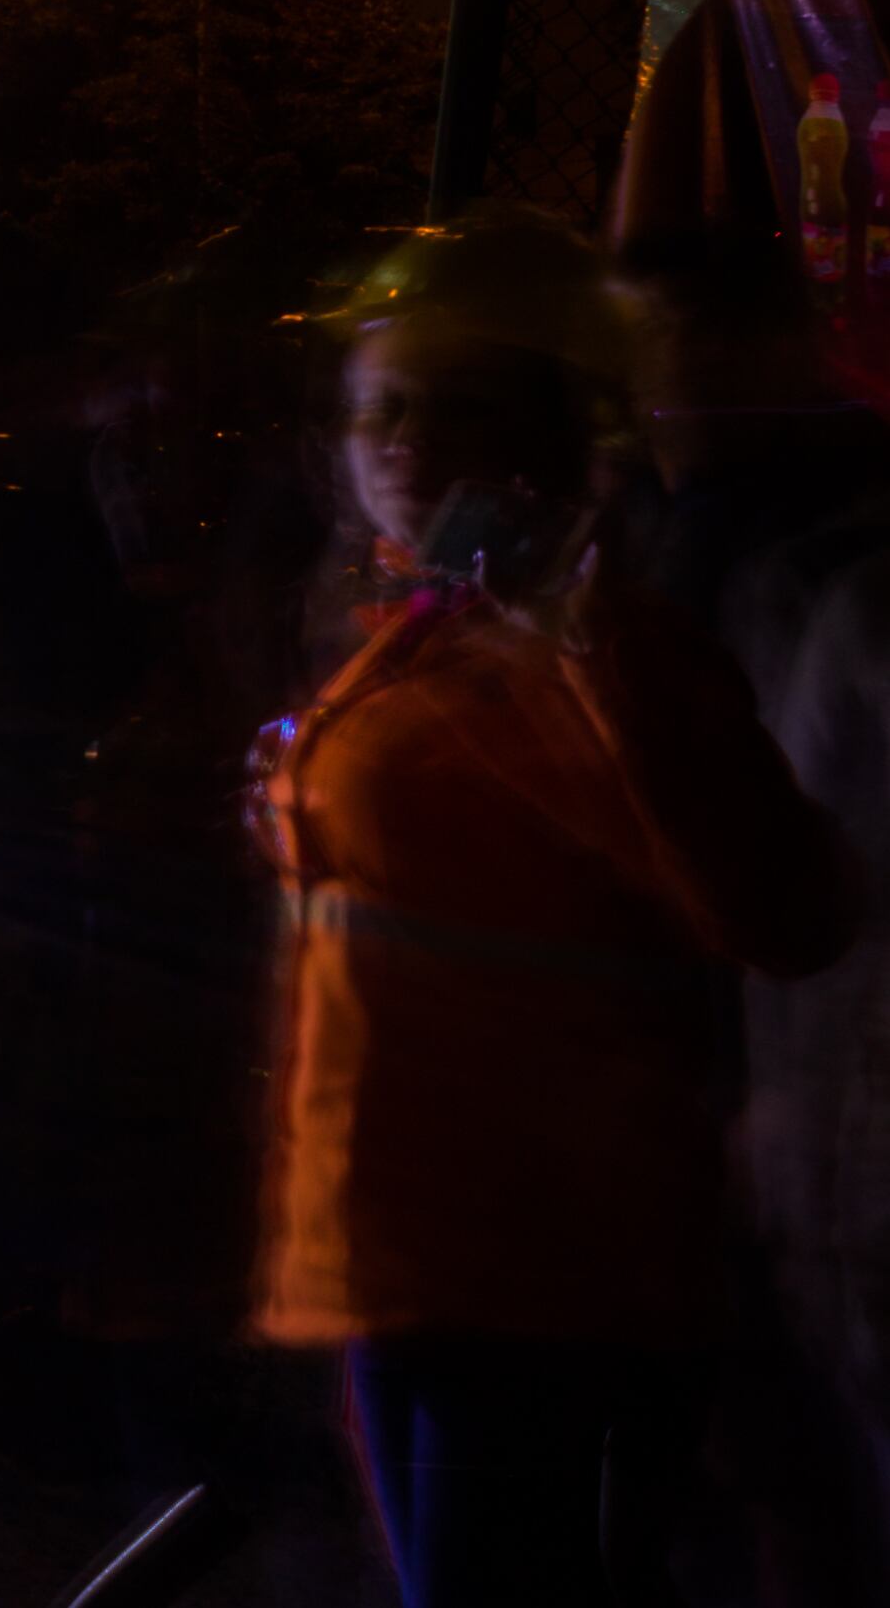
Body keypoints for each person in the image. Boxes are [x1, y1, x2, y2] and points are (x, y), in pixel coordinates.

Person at [254, 207, 855, 1605]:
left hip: (536, 1262)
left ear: (548, 427)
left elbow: (779, 905)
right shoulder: (425, 635)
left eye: (452, 404)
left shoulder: (600, 642)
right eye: (377, 407)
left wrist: (588, 655)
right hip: (417, 1241)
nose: (400, 440)